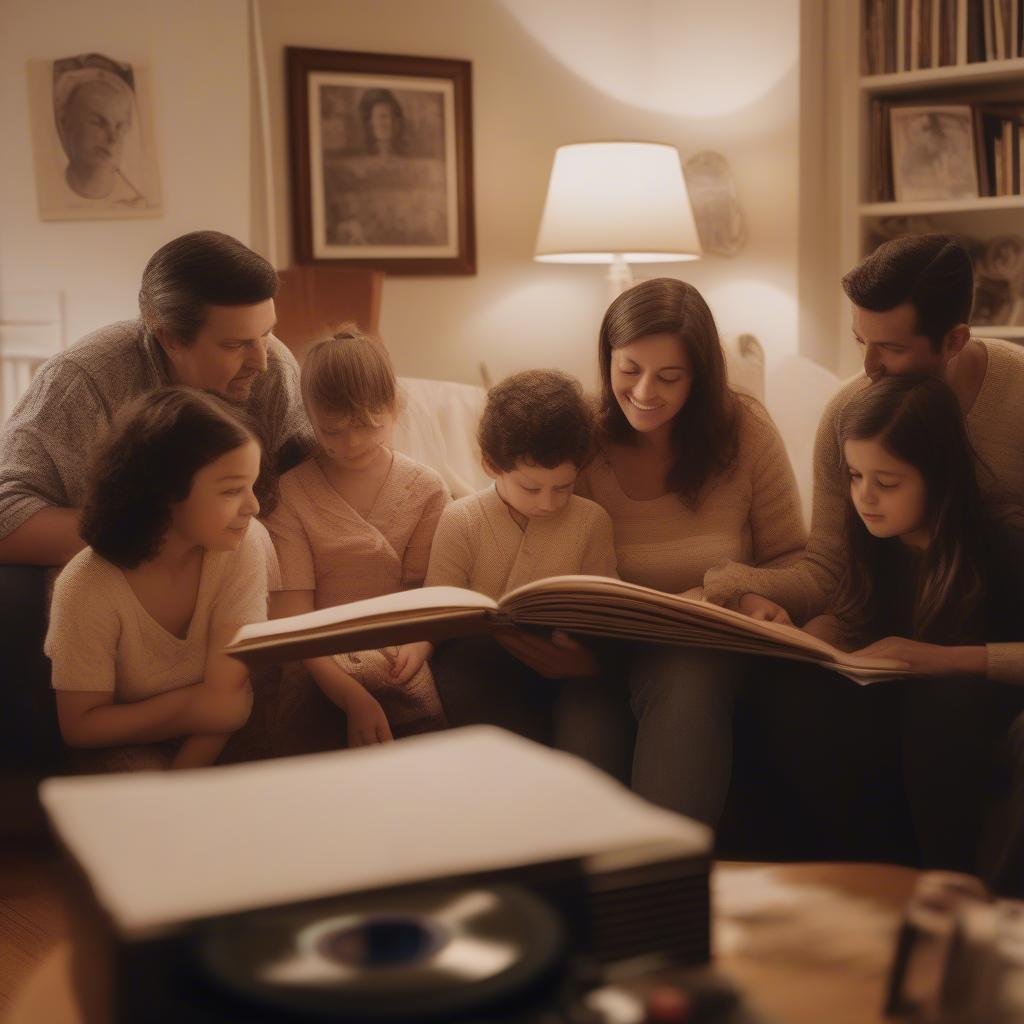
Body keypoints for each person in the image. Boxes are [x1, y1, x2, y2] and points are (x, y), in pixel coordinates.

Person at [0, 230, 308, 772]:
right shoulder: (83, 381)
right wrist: (158, 531)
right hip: (117, 619)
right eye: (236, 344)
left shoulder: (274, 368)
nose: (262, 359)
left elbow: (307, 479)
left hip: (227, 592)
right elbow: (6, 513)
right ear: (169, 337)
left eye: (268, 335)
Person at [571, 277, 805, 825]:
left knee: (687, 677)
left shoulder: (744, 432)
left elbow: (796, 559)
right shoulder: (580, 436)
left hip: (703, 654)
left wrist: (731, 591)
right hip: (601, 659)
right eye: (629, 370)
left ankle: (666, 896)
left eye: (669, 377)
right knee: (586, 725)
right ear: (607, 359)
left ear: (699, 377)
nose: (646, 392)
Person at [705, 233, 1024, 630]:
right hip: (884, 626)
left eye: (892, 348)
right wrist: (744, 591)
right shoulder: (847, 412)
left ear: (954, 341)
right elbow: (828, 571)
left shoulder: (1017, 393)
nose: (870, 367)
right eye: (861, 341)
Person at [806, 376, 1024, 890]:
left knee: (939, 701)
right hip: (895, 707)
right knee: (791, 694)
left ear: (938, 476)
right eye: (856, 476)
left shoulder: (1000, 550)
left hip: (978, 709)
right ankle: (852, 882)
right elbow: (858, 620)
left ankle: (948, 892)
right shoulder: (875, 548)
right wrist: (814, 634)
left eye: (888, 482)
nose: (865, 498)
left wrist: (942, 660)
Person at [45, 388, 272, 772]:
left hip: (214, 744)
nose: (254, 506)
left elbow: (226, 705)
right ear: (166, 492)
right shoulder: (86, 585)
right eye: (232, 490)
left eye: (252, 486)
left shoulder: (239, 547)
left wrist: (180, 784)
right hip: (124, 748)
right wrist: (191, 707)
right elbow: (80, 726)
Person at [265, 326, 449, 749]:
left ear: (395, 406)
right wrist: (351, 696)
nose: (352, 444)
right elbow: (293, 617)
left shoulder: (425, 488)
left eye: (369, 425)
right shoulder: (292, 494)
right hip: (315, 658)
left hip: (396, 650)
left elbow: (426, 591)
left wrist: (421, 643)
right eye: (332, 431)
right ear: (309, 416)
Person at [425, 369, 618, 752]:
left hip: (565, 661)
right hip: (480, 662)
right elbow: (434, 611)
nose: (548, 503)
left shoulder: (591, 521)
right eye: (531, 488)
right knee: (467, 673)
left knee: (591, 717)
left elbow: (608, 609)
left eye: (563, 487)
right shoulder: (461, 519)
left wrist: (587, 654)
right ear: (491, 465)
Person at [52, 53, 144, 206]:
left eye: (120, 126)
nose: (113, 138)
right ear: (64, 123)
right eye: (98, 123)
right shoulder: (51, 199)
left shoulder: (135, 202)